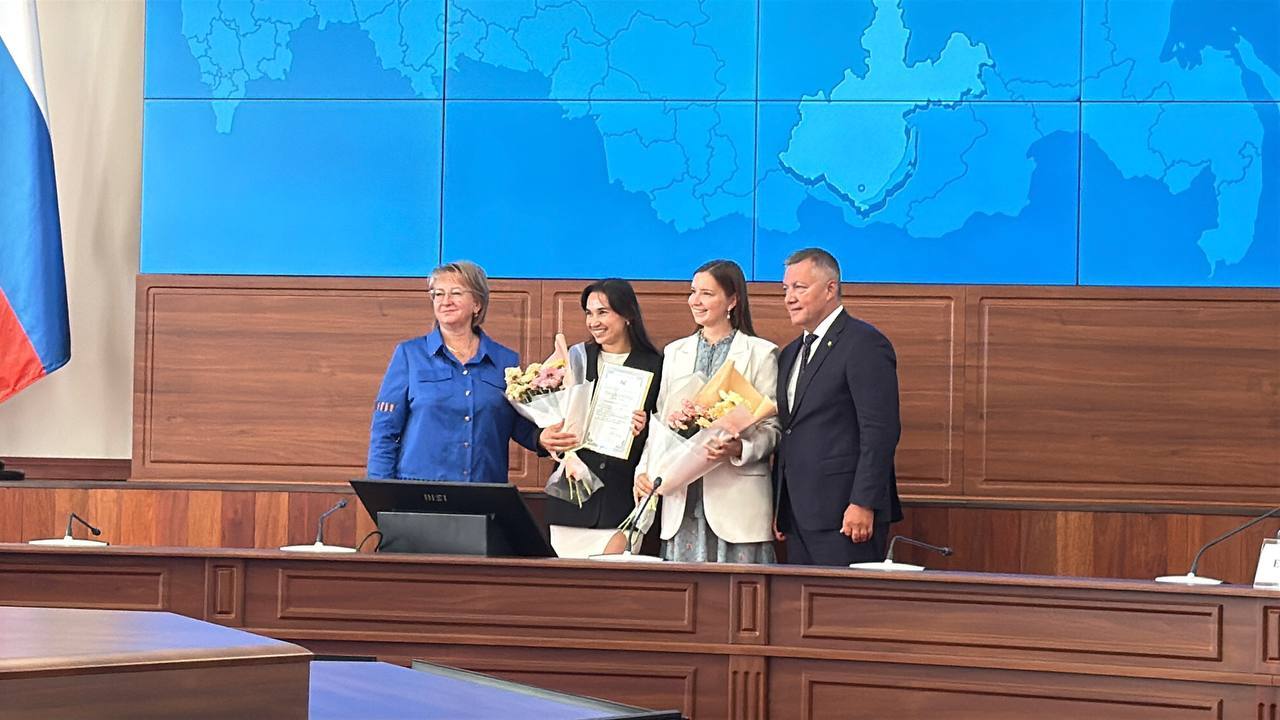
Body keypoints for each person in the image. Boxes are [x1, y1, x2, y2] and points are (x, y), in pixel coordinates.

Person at [634, 259, 779, 563]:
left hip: (737, 499)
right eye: (693, 292)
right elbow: (660, 422)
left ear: (732, 300)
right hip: (682, 496)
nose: (695, 301)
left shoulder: (761, 353)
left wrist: (740, 448)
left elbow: (773, 429)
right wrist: (645, 471)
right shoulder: (675, 352)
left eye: (706, 293)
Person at [773, 248, 902, 566]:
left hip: (845, 515)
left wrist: (863, 502)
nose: (789, 298)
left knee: (845, 599)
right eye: (786, 289)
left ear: (830, 288)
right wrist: (779, 505)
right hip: (797, 516)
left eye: (800, 288)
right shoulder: (789, 353)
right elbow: (790, 431)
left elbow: (880, 431)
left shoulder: (864, 343)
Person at [367, 260, 541, 481]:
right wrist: (380, 490)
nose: (445, 301)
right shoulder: (409, 355)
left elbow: (515, 424)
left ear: (477, 303)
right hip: (418, 492)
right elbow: (385, 430)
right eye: (438, 294)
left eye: (456, 293)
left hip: (483, 491)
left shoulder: (505, 361)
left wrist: (543, 438)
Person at [539, 279, 662, 529]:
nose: (593, 321)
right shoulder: (574, 360)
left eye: (602, 312)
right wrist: (545, 438)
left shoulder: (655, 365)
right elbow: (545, 414)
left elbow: (664, 437)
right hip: (570, 498)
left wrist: (644, 429)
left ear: (627, 314)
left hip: (621, 500)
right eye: (589, 313)